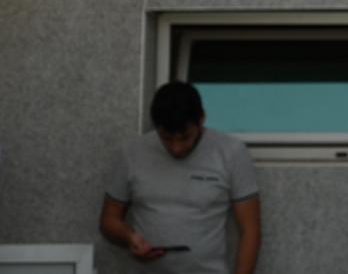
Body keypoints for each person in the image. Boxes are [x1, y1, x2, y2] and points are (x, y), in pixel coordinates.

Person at [100, 82, 261, 274]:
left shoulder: (231, 153)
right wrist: (129, 237)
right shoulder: (132, 153)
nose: (176, 147)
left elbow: (250, 230)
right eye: (166, 138)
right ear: (156, 126)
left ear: (201, 120)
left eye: (185, 137)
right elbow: (108, 220)